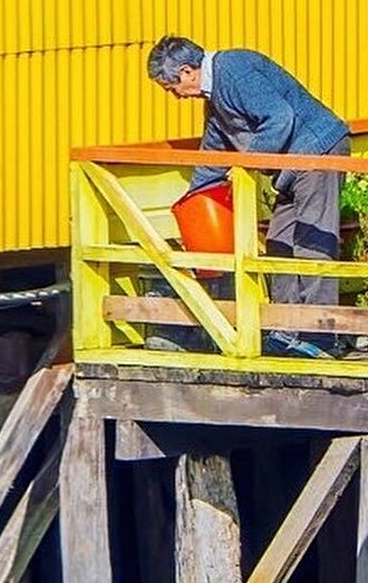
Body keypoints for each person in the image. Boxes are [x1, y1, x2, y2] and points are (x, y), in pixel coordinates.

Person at [147, 35, 350, 355]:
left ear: (187, 72)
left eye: (170, 88)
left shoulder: (235, 69)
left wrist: (245, 164)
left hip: (317, 151)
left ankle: (322, 335)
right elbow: (214, 152)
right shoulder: (215, 100)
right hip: (291, 166)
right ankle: (286, 329)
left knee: (310, 244)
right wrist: (192, 200)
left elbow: (278, 118)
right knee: (279, 243)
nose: (175, 96)